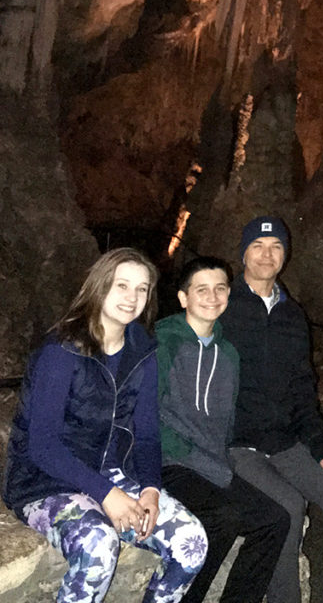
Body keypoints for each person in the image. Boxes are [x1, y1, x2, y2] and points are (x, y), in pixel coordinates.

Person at [2, 247, 208, 603]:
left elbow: (146, 433)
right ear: (98, 286)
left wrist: (150, 490)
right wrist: (107, 495)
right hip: (44, 481)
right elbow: (43, 446)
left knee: (192, 543)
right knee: (98, 544)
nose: (132, 297)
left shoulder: (142, 351)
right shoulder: (62, 351)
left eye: (142, 289)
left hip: (112, 471)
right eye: (121, 285)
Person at [220, 216, 323, 603]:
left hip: (285, 443)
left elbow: (304, 387)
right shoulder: (221, 307)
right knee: (287, 507)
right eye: (258, 246)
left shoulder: (292, 316)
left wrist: (322, 447)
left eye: (276, 247)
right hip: (236, 444)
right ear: (243, 254)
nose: (267, 255)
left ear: (285, 255)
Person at [156, 256, 290, 603]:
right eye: (202, 289)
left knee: (274, 519)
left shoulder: (228, 353)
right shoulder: (163, 343)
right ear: (184, 297)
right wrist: (187, 455)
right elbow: (148, 415)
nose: (212, 296)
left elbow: (226, 419)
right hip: (170, 461)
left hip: (211, 463)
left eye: (220, 288)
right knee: (223, 517)